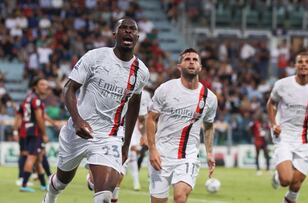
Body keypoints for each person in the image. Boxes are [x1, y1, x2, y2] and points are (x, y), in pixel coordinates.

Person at [42, 17, 149, 203]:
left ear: (137, 36)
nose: (128, 31)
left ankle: (97, 179)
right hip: (77, 131)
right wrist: (77, 120)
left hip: (109, 136)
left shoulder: (141, 72)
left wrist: (125, 145)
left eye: (133, 29)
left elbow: (133, 106)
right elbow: (68, 88)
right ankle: (50, 197)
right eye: (123, 28)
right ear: (115, 34)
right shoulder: (95, 56)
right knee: (61, 181)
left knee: (106, 196)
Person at [147, 48, 218, 203]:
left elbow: (208, 126)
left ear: (200, 67)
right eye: (187, 59)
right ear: (179, 66)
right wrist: (152, 149)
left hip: (187, 156)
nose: (191, 62)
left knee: (180, 197)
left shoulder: (209, 98)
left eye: (195, 60)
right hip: (161, 155)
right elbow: (151, 119)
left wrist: (210, 153)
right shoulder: (166, 89)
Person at [267, 52, 308, 203]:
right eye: (300, 61)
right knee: (285, 180)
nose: (303, 64)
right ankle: (278, 176)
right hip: (283, 134)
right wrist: (273, 123)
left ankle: (288, 199)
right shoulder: (282, 85)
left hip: (305, 137)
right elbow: (271, 103)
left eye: (307, 62)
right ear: (295, 66)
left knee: (296, 183)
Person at [86, 89, 151, 201]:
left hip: (127, 134)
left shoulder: (143, 94)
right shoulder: (113, 86)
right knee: (103, 180)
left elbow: (142, 117)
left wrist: (144, 135)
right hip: (108, 134)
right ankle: (92, 178)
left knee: (119, 175)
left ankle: (118, 194)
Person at [13, 77, 49, 192]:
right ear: (35, 87)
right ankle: (24, 185)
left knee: (38, 159)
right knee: (32, 157)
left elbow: (18, 115)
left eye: (46, 85)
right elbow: (39, 117)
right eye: (42, 84)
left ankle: (43, 185)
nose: (45, 87)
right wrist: (44, 133)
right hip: (35, 132)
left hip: (26, 131)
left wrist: (15, 131)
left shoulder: (27, 99)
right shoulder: (36, 100)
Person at [248, 111, 270, 175]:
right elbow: (249, 129)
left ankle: (267, 169)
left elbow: (268, 128)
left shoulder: (264, 123)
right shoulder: (255, 123)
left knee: (267, 155)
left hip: (264, 141)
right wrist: (253, 136)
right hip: (257, 141)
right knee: (257, 155)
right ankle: (258, 170)